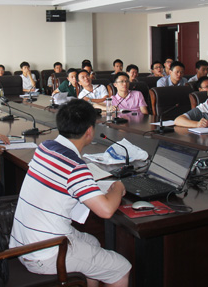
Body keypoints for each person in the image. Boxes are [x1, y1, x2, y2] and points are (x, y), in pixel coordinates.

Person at [9, 99, 130, 287]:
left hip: (21, 244)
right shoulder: (75, 166)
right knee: (120, 269)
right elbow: (106, 210)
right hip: (45, 253)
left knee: (92, 242)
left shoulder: (45, 147)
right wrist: (118, 187)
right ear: (89, 131)